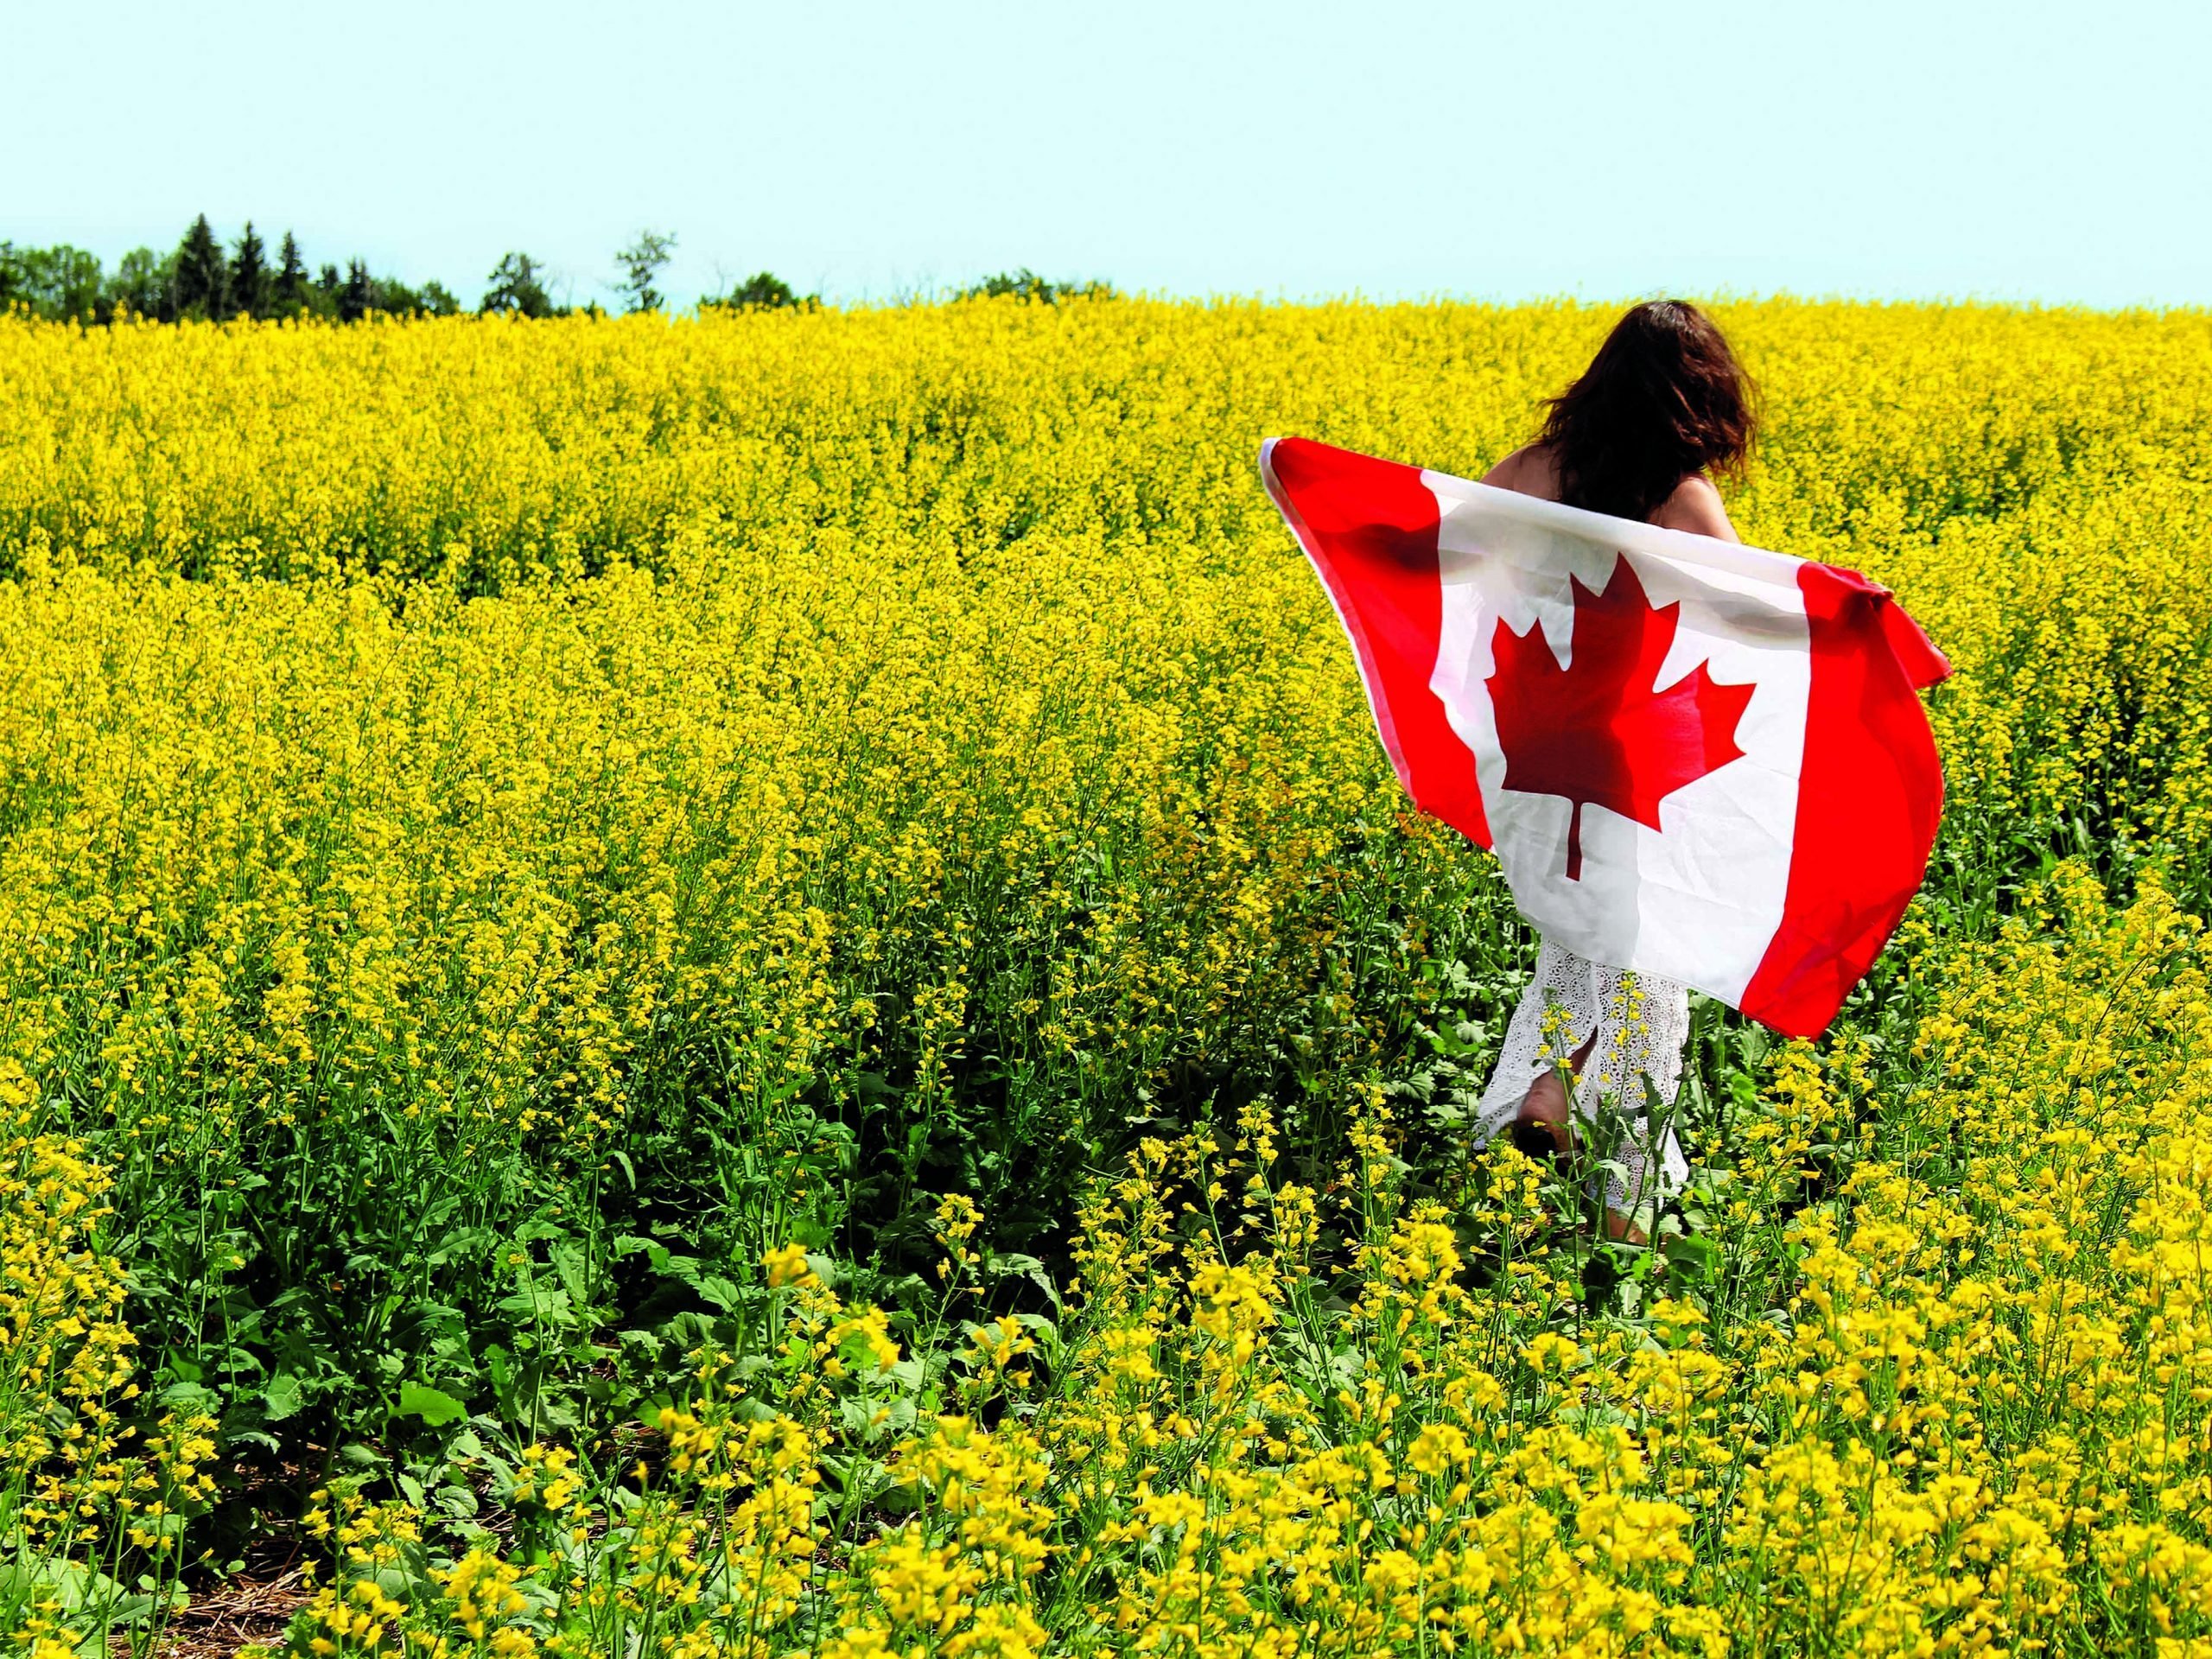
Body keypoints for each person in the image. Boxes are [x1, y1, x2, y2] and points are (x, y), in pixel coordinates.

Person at [1472, 299, 1756, 1244]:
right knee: (1646, 954)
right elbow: (1757, 611)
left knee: (1581, 944)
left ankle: (1552, 1105)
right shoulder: (1675, 492)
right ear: (1695, 394)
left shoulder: (1534, 472)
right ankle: (1607, 1189)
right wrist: (1857, 618)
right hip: (1633, 758)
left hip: (1534, 750)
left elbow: (1437, 545)